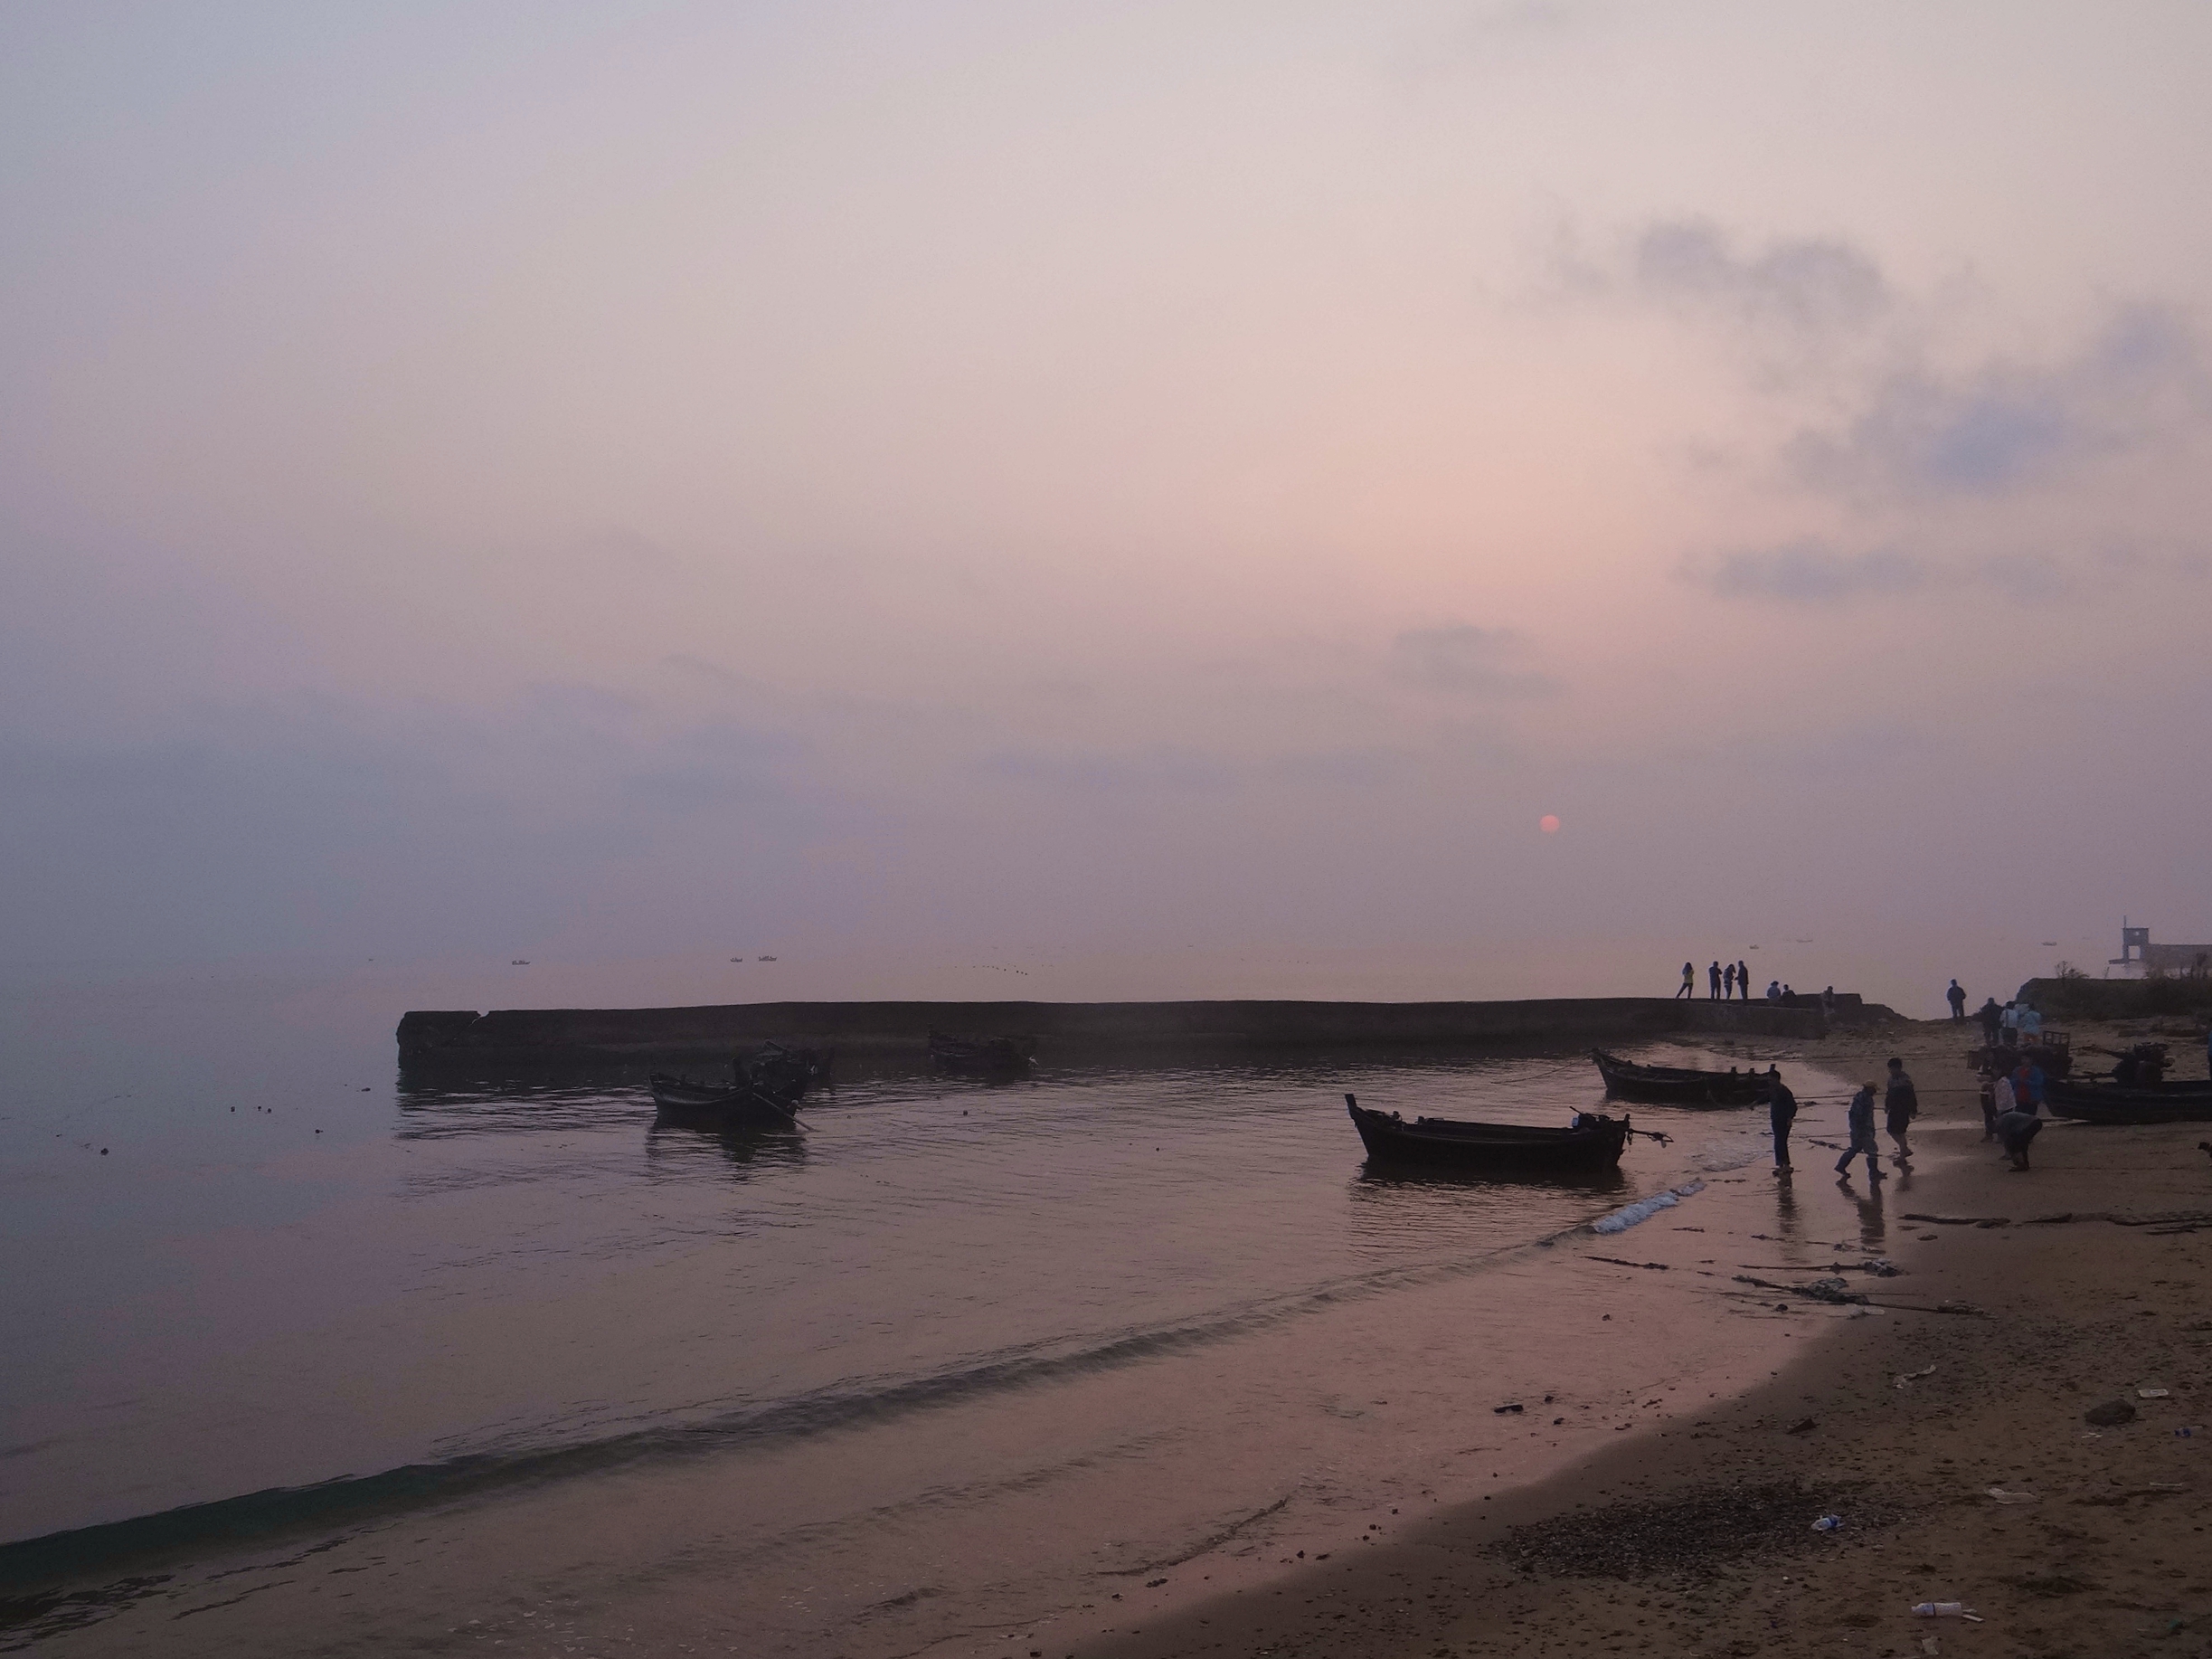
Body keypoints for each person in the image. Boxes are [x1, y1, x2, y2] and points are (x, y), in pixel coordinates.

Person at [1835, 1083, 1884, 1181]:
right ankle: (1873, 1172)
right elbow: (1861, 1116)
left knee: (1854, 1148)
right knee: (1872, 1151)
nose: (1875, 1092)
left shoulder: (1859, 1097)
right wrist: (1863, 1129)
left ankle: (1841, 1166)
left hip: (1856, 1129)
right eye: (1874, 1090)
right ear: (1869, 1089)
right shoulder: (1865, 1100)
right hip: (1864, 1130)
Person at [1996, 1094, 2043, 1171]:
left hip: (2032, 1124)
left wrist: (2009, 1154)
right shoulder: (2003, 1119)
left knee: (2018, 1144)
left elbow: (2006, 1140)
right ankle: (2023, 1164)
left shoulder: (2002, 1123)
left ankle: (2021, 1164)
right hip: (2035, 1122)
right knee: (2021, 1143)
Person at [1884, 1057, 1919, 1161]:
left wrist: (1913, 1110)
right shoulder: (1890, 1079)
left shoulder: (1905, 1080)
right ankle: (1904, 1150)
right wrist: (1887, 1105)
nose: (1890, 1071)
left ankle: (1903, 1155)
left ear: (1897, 1068)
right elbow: (1889, 1094)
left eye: (1891, 1069)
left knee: (1900, 1132)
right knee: (1891, 1130)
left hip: (1903, 1110)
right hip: (1893, 1109)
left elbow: (1912, 1096)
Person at [1766, 1065, 1797, 1171]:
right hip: (1775, 1119)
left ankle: (1786, 1164)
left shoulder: (1784, 1091)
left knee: (1781, 1142)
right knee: (1778, 1142)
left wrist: (1790, 1118)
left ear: (1776, 1079)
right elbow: (1766, 1098)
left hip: (1784, 1120)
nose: (1769, 1081)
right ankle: (1780, 1165)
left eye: (1770, 1080)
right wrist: (1754, 1102)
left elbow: (1793, 1106)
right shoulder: (1772, 1090)